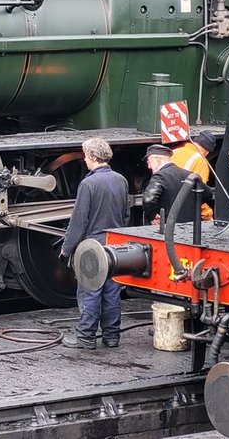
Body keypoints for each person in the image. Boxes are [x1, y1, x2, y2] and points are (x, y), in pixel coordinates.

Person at [60, 138, 130, 350]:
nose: (84, 159)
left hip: (93, 247)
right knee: (112, 292)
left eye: (85, 156)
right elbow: (126, 215)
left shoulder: (88, 184)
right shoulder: (121, 180)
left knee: (90, 291)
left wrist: (67, 248)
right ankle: (111, 337)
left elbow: (79, 221)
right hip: (115, 247)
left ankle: (85, 337)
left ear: (92, 157)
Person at [143, 144, 200, 227]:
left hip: (169, 230)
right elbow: (207, 194)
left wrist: (153, 216)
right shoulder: (189, 175)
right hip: (190, 228)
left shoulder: (160, 177)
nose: (149, 167)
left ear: (158, 160)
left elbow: (148, 199)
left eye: (149, 162)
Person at [171, 130, 215, 220]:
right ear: (207, 152)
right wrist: (208, 215)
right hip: (182, 208)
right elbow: (198, 193)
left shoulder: (174, 152)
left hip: (167, 203)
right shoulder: (200, 161)